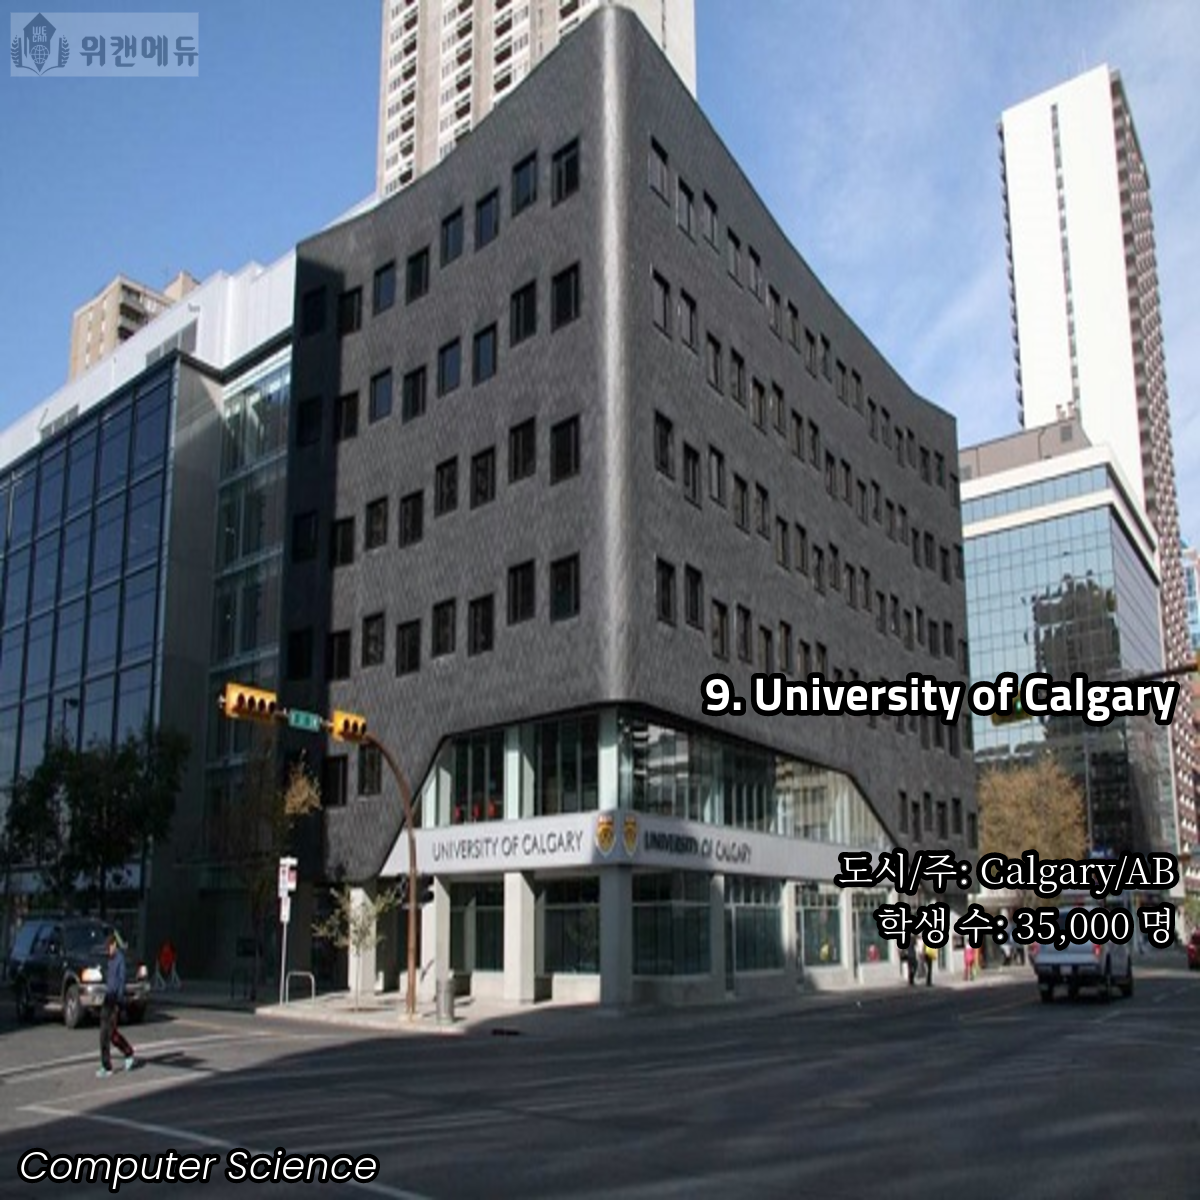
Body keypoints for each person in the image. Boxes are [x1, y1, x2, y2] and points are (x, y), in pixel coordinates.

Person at [98, 933, 136, 1078]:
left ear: (114, 945)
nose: (107, 950)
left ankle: (127, 1053)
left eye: (109, 947)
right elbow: (109, 979)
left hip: (115, 999)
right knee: (105, 1034)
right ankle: (107, 1065)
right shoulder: (110, 960)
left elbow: (121, 980)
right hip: (108, 997)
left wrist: (119, 1001)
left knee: (110, 1034)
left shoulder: (120, 959)